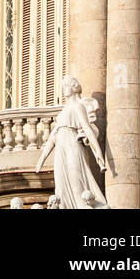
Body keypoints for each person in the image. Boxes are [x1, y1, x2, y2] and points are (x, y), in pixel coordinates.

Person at [35, 75, 108, 210]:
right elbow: (52, 136)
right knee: (60, 183)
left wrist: (97, 151)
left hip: (72, 145)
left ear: (73, 88)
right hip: (60, 147)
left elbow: (86, 128)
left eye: (65, 86)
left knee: (76, 179)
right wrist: (42, 159)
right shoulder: (63, 112)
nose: (63, 89)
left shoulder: (78, 106)